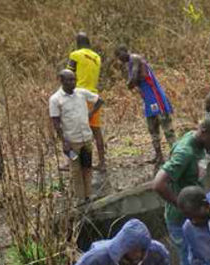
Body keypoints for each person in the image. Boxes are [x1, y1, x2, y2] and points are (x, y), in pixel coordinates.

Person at [152, 117, 210, 265]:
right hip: (180, 218)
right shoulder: (185, 153)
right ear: (204, 132)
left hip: (190, 215)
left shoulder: (197, 143)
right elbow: (158, 184)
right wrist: (183, 206)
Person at [114, 45, 175, 165]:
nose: (119, 59)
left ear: (125, 51)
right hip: (148, 99)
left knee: (167, 128)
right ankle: (159, 156)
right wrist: (130, 82)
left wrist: (130, 82)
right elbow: (131, 83)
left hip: (156, 96)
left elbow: (133, 80)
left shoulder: (135, 59)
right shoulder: (129, 65)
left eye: (119, 55)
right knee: (152, 129)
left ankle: (176, 154)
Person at [50, 69, 103, 203]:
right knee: (75, 170)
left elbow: (99, 100)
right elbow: (56, 122)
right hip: (72, 141)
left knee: (87, 167)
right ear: (61, 81)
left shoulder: (81, 93)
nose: (73, 82)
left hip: (86, 138)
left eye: (74, 79)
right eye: (69, 80)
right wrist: (64, 142)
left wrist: (91, 114)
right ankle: (79, 198)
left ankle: (88, 195)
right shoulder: (56, 99)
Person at [67, 32, 106, 171]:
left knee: (73, 130)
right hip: (93, 96)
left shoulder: (75, 55)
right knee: (96, 131)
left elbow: (68, 74)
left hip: (78, 96)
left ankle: (74, 162)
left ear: (77, 43)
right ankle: (102, 163)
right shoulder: (97, 57)